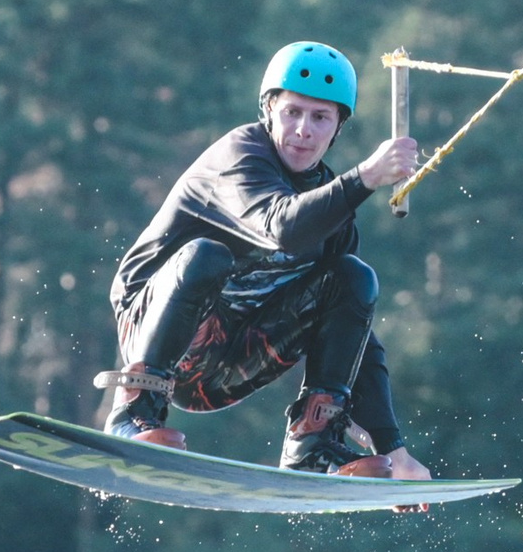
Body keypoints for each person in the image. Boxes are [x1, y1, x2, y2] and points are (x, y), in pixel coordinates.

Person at [98, 41, 434, 483]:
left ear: (337, 130)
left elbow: (356, 336)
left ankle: (313, 444)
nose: (303, 130)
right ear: (269, 110)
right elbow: (283, 226)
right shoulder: (239, 157)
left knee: (354, 280)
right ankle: (132, 412)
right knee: (207, 255)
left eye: (320, 118)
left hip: (228, 366)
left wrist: (395, 451)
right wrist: (367, 176)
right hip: (154, 331)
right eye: (292, 112)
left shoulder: (333, 207)